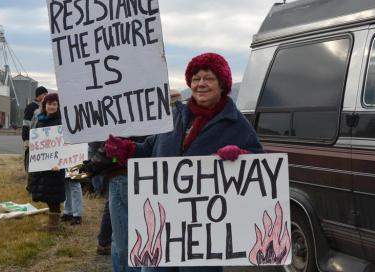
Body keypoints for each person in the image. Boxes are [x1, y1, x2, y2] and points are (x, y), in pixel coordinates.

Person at [107, 52, 264, 272]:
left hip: (204, 231)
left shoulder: (236, 123)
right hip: (162, 224)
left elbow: (259, 165)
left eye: (208, 78)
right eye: (195, 78)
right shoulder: (175, 116)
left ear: (223, 84)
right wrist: (129, 149)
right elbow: (152, 148)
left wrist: (241, 156)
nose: (201, 84)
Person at [29, 93, 65, 232]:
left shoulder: (61, 122)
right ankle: (53, 223)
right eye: (49, 104)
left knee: (54, 195)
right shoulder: (40, 120)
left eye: (54, 104)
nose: (51, 107)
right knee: (47, 194)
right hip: (43, 164)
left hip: (55, 165)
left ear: (58, 106)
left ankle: (54, 225)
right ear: (44, 105)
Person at [22, 86, 48, 191]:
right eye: (44, 94)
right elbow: (26, 124)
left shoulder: (45, 106)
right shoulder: (31, 107)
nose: (46, 96)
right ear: (39, 95)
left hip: (43, 140)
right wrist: (26, 140)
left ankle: (40, 185)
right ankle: (30, 187)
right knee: (31, 163)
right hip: (32, 140)